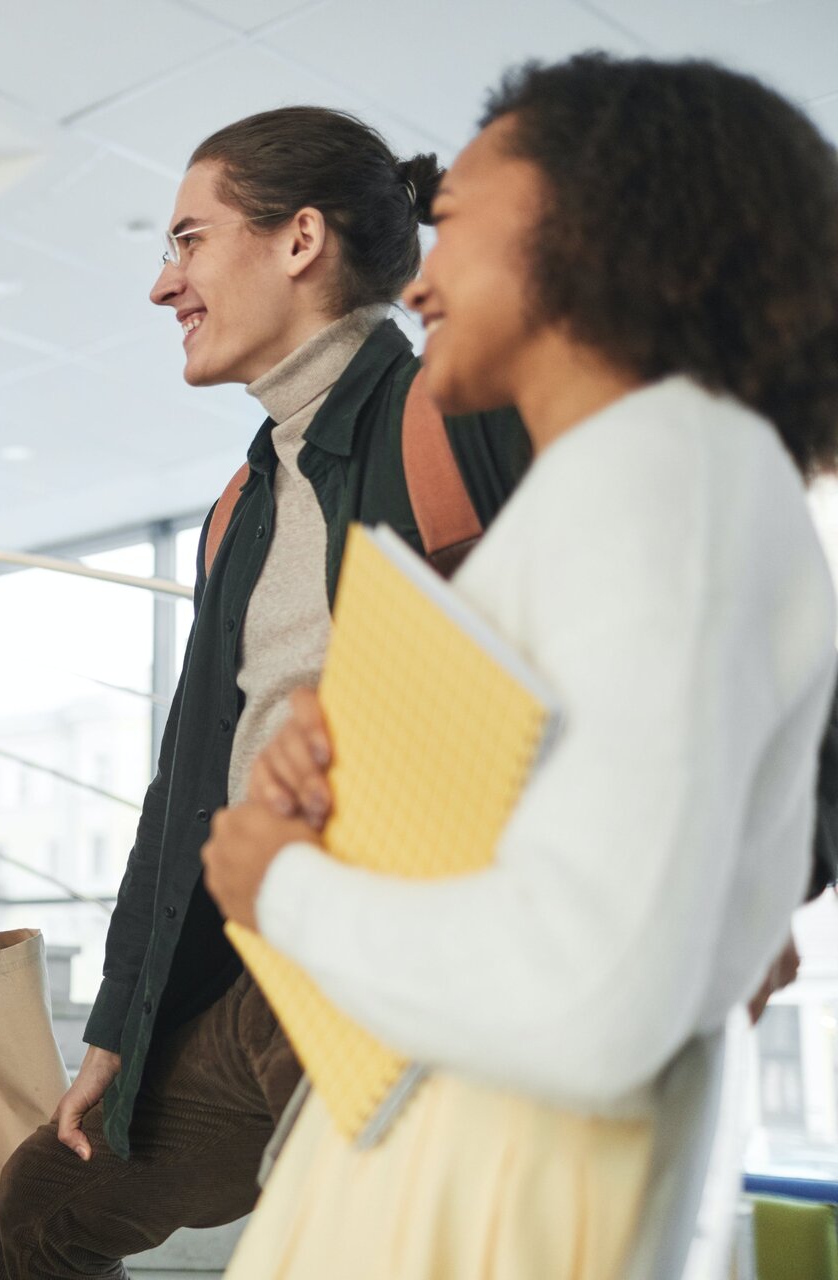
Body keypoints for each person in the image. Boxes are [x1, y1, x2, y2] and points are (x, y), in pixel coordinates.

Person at [205, 53, 838, 1279]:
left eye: (449, 226)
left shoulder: (671, 469)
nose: (421, 278)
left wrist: (279, 882)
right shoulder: (644, 476)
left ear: (597, 219)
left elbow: (588, 992)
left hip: (490, 1190)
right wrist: (343, 802)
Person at [0, 107, 532, 1280]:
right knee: (45, 1202)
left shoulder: (460, 421)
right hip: (264, 981)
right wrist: (118, 1034)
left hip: (413, 958)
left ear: (298, 241)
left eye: (188, 240)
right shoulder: (245, 505)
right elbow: (184, 779)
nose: (162, 282)